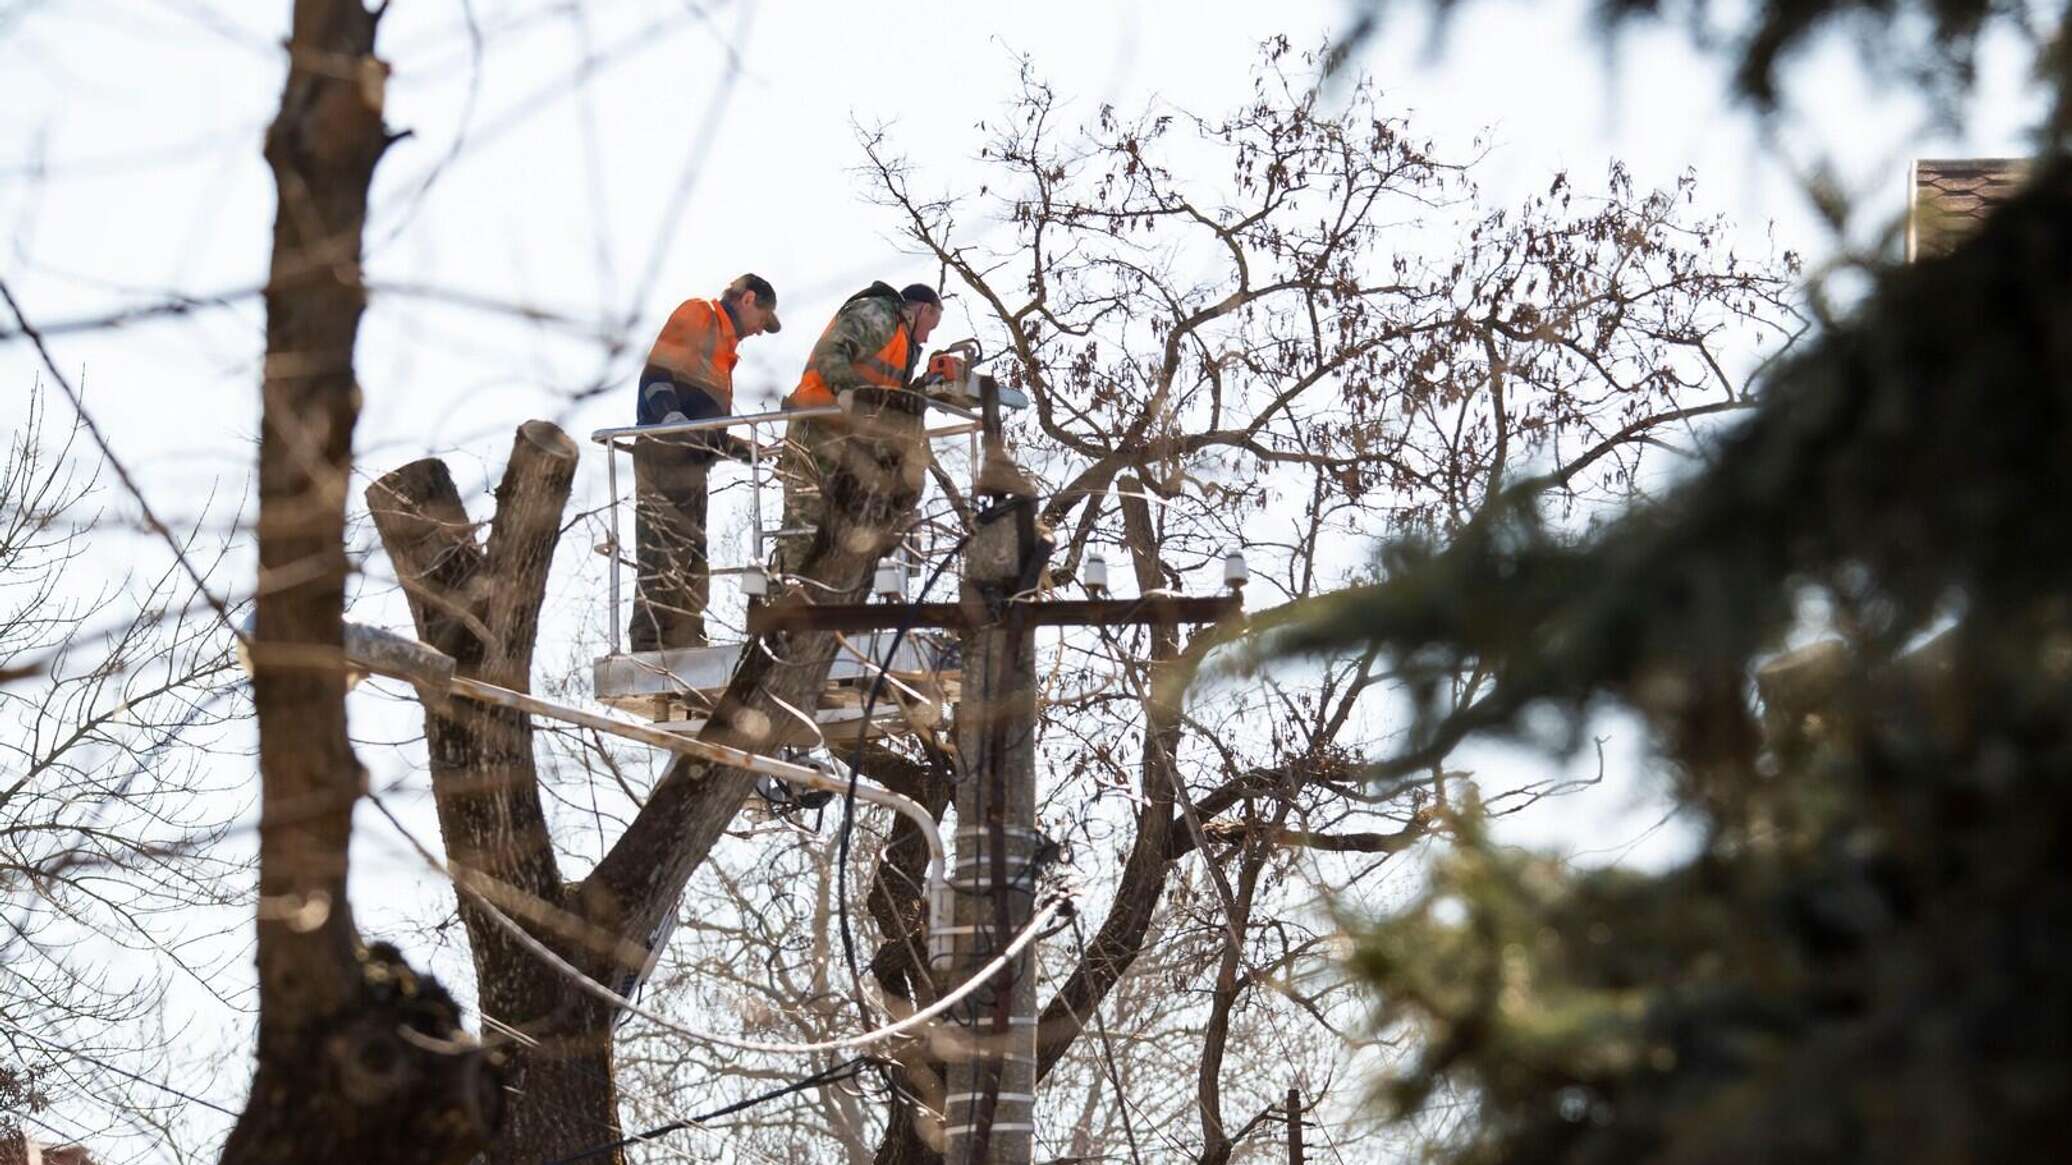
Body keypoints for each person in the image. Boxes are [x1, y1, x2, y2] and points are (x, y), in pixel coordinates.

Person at [630, 273, 781, 652]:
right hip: (665, 452)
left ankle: (686, 638)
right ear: (748, 299)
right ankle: (651, 643)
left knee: (693, 552)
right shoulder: (701, 315)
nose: (761, 331)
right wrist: (670, 420)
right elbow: (656, 375)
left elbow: (710, 433)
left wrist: (751, 451)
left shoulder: (726, 356)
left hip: (693, 464)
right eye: (763, 319)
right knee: (662, 548)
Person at [773, 282, 942, 582]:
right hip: (818, 426)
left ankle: (824, 605)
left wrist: (929, 385)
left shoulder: (902, 344)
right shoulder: (880, 314)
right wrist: (852, 395)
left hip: (850, 441)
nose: (929, 338)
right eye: (932, 325)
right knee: (807, 522)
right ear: (924, 309)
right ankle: (788, 602)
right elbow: (831, 353)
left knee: (843, 529)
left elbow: (889, 398)